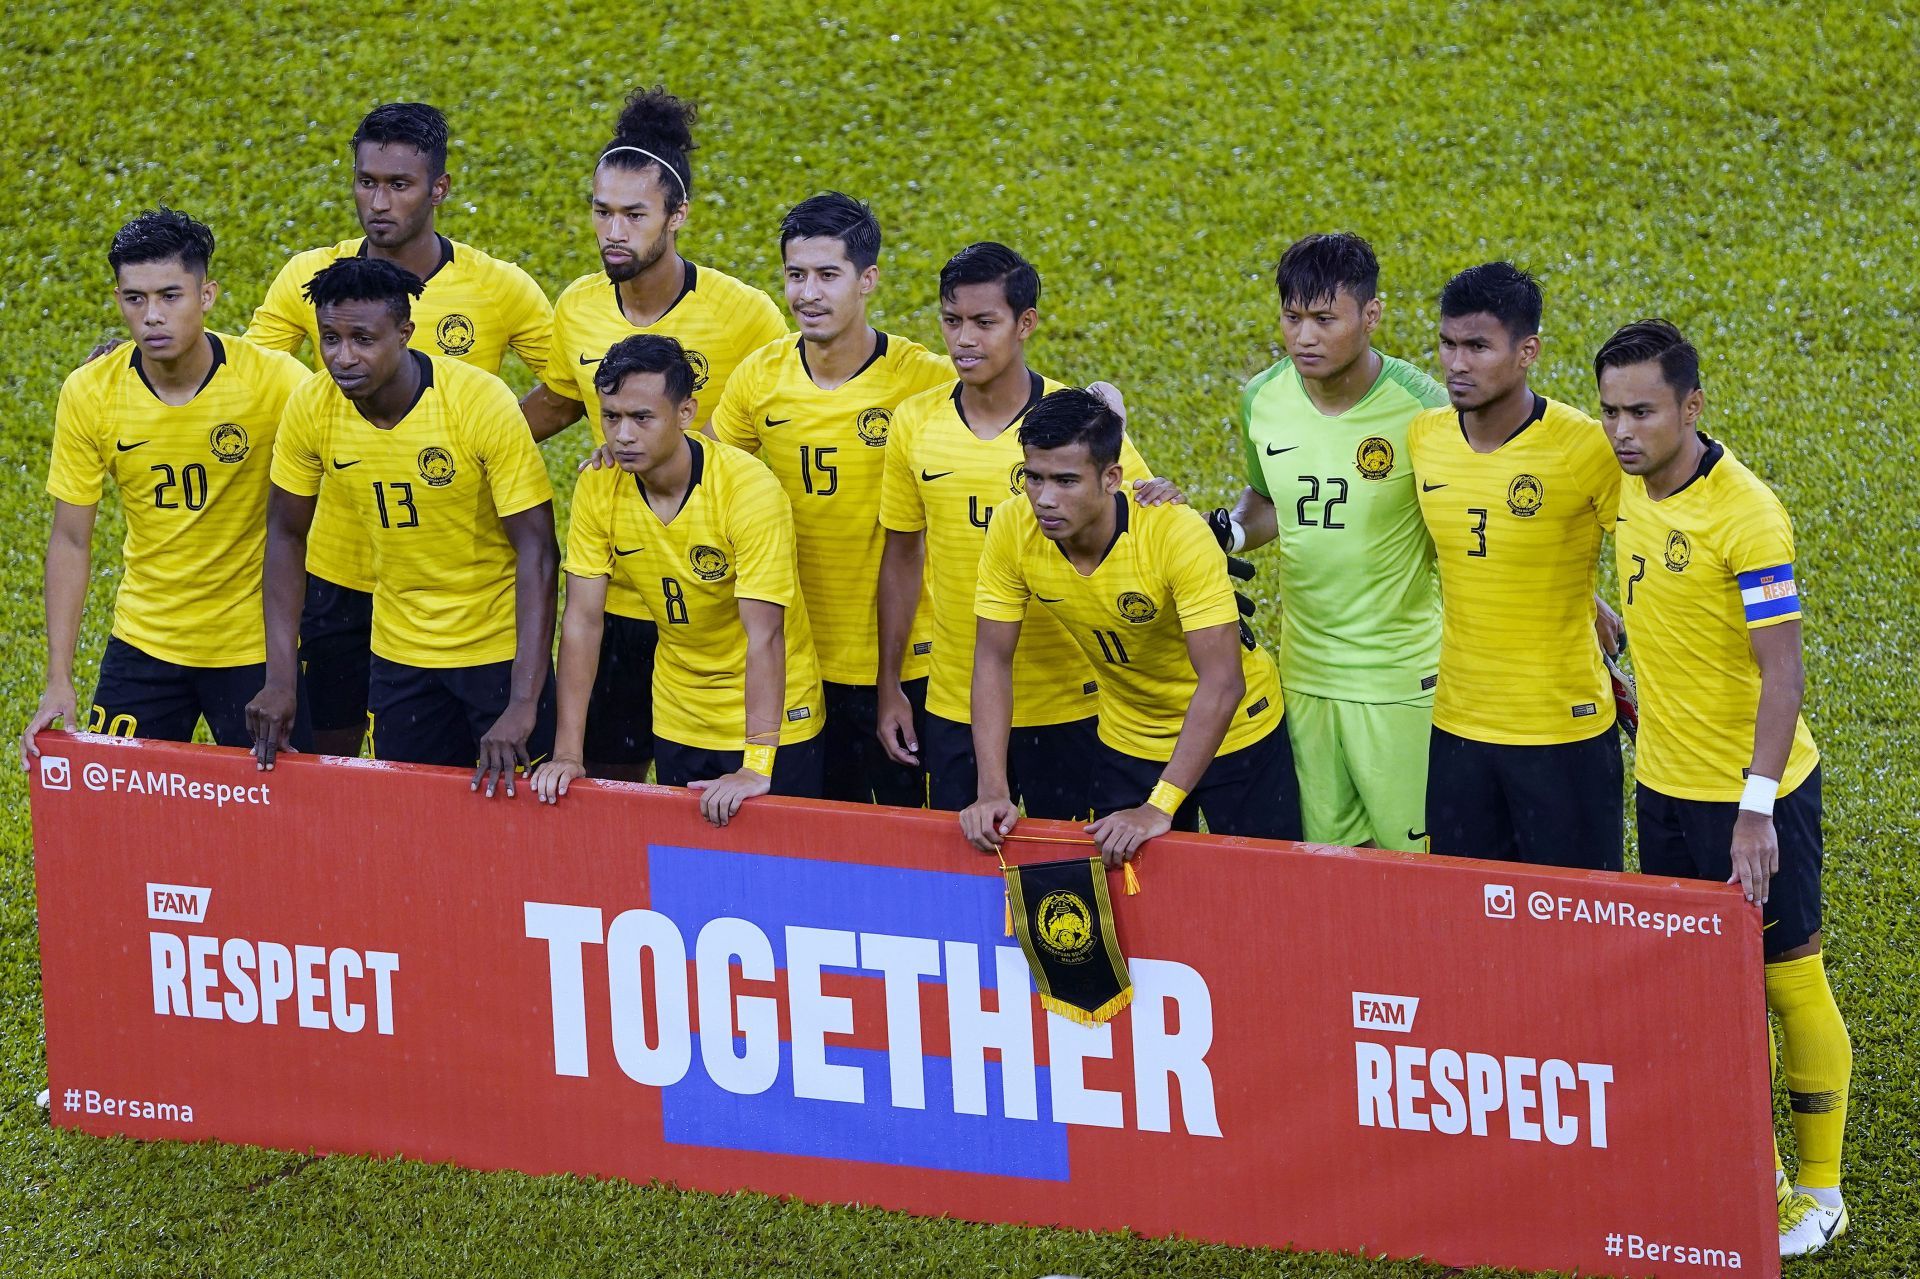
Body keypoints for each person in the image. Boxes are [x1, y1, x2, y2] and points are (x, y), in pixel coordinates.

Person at [1596, 319, 1850, 1256]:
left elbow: (1781, 673)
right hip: (1662, 790)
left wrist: (1755, 805)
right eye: (1612, 410)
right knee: (1703, 992)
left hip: (1759, 799)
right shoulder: (1622, 486)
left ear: (1692, 407)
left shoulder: (1749, 514)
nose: (1623, 430)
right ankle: (1754, 1169)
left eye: (1644, 411)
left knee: (1789, 981)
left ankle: (1819, 1190)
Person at [246, 102, 553, 758]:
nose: (378, 201)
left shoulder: (497, 289)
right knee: (337, 745)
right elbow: (249, 373)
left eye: (398, 184)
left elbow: (573, 383)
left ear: (438, 189)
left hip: (456, 578)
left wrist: (478, 448)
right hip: (339, 565)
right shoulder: (313, 279)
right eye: (366, 181)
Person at [521, 86, 786, 781]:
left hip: (712, 604)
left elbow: (774, 428)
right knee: (601, 779)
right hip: (615, 591)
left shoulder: (743, 315)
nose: (614, 230)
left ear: (677, 217)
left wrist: (669, 449)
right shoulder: (578, 307)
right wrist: (471, 442)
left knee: (705, 791)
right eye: (602, 211)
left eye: (634, 214)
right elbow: (559, 401)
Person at [876, 243, 1160, 820]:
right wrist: (890, 685)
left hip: (1073, 704)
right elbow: (903, 556)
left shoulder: (1075, 422)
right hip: (956, 702)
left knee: (1072, 888)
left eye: (985, 322)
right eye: (951, 321)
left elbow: (1143, 529)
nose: (964, 340)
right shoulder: (916, 422)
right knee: (963, 888)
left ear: (1025, 323)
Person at [20, 209, 308, 767]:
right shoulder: (91, 392)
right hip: (144, 641)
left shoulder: (274, 382)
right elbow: (72, 540)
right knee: (115, 822)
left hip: (256, 651)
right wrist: (59, 679)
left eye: (170, 296)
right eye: (135, 299)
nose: (151, 316)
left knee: (287, 830)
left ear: (207, 295)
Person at [963, 389, 1298, 862]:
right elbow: (992, 660)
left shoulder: (1175, 534)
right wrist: (993, 790)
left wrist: (1158, 807)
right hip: (1129, 737)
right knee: (1132, 906)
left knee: (1265, 890)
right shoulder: (1011, 528)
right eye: (1033, 478)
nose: (1045, 499)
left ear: (1111, 478)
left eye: (1065, 481)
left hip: (1237, 732)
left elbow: (1223, 683)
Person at [1206, 232, 1448, 851]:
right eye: (1292, 318)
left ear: (1371, 316)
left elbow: (1478, 523)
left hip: (1399, 679)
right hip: (1306, 674)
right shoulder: (1263, 398)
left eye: (1324, 319)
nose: (1304, 337)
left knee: (1416, 864)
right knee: (1326, 861)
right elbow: (1267, 502)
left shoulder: (1424, 410)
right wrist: (1230, 530)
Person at [708, 193, 949, 805]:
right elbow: (701, 472)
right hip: (800, 661)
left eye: (827, 275)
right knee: (820, 844)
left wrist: (1111, 424)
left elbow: (1024, 414)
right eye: (795, 275)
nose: (807, 294)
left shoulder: (923, 377)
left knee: (913, 842)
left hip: (904, 662)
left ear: (867, 280)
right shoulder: (760, 377)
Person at [532, 335, 823, 825]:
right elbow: (582, 621)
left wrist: (756, 765)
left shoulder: (747, 491)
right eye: (611, 417)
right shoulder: (599, 484)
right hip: (678, 714)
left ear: (686, 412)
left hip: (773, 726)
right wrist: (567, 753)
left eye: (642, 418)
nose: (622, 435)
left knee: (781, 888)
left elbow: (765, 635)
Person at [1407, 262, 1623, 869]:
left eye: (1478, 346)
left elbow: (1647, 549)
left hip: (1563, 731)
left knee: (1578, 924)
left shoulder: (1582, 447)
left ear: (1528, 351)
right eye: (1448, 344)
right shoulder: (1426, 437)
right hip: (1458, 730)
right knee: (1470, 925)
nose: (1457, 363)